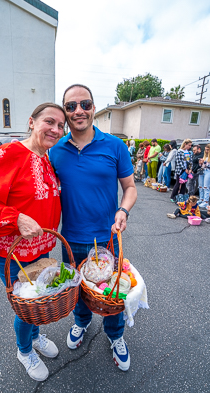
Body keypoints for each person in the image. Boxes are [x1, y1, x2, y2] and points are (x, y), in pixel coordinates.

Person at [0, 103, 66, 382]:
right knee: (27, 305)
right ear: (32, 122)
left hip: (42, 247)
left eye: (61, 126)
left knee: (38, 301)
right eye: (50, 122)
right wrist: (15, 218)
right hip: (12, 251)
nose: (56, 130)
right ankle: (24, 350)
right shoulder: (10, 152)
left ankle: (34, 336)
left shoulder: (46, 158)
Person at [49, 84, 137, 372]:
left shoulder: (115, 145)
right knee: (79, 291)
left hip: (108, 238)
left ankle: (115, 335)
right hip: (71, 238)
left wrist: (123, 210)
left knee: (112, 292)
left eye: (84, 104)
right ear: (65, 111)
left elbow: (130, 188)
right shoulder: (55, 151)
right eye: (71, 106)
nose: (79, 111)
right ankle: (81, 323)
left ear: (94, 107)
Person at [197, 144, 210, 209]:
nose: (206, 151)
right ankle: (201, 199)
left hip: (208, 171)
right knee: (200, 186)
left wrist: (204, 162)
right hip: (203, 171)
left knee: (206, 187)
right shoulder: (205, 156)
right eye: (205, 149)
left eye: (208, 150)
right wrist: (201, 162)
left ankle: (206, 201)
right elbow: (201, 165)